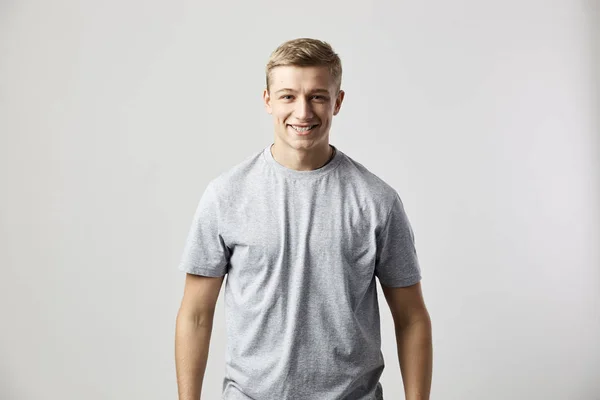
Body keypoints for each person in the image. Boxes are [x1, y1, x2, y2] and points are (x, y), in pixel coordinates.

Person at [175, 37, 432, 400]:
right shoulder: (226, 195)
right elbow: (196, 315)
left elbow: (411, 319)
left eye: (317, 96)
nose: (303, 112)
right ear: (267, 101)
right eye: (288, 96)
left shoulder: (377, 201)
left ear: (337, 102)